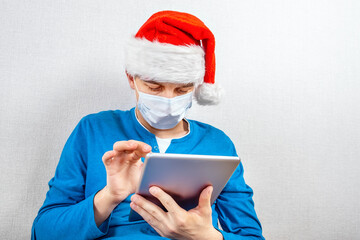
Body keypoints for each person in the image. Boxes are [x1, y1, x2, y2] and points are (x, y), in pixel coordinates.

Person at [31, 10, 264, 240]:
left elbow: (252, 236)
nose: (170, 101)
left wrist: (207, 236)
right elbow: (42, 233)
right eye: (154, 88)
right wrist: (109, 196)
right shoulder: (93, 130)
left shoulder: (217, 143)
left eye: (182, 89)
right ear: (131, 78)